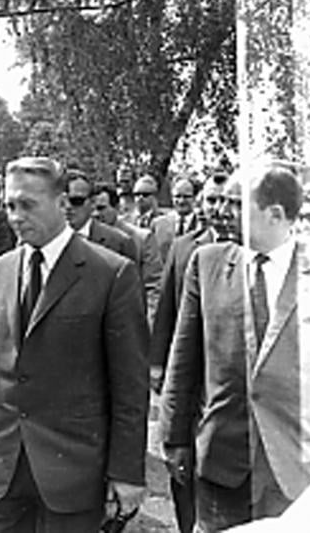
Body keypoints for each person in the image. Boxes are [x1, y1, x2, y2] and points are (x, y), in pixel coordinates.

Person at [0, 156, 149, 533]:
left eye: (28, 205)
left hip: (73, 473)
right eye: (9, 205)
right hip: (0, 471)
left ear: (62, 205)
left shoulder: (111, 274)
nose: (15, 216)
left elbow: (130, 388)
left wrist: (126, 473)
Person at [160, 166, 310, 531]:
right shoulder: (207, 263)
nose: (221, 212)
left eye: (236, 205)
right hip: (223, 464)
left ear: (275, 214)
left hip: (300, 467)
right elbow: (183, 360)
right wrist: (173, 439)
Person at [147, 170, 229, 533]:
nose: (218, 208)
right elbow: (166, 310)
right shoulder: (185, 249)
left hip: (225, 388)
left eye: (227, 201)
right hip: (188, 379)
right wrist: (157, 366)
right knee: (184, 474)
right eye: (211, 200)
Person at [87, 180, 163, 322]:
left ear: (117, 208)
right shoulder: (84, 240)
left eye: (101, 208)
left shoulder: (141, 239)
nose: (96, 214)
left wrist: (148, 327)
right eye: (92, 209)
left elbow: (153, 288)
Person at [152, 176, 199, 262]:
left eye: (186, 197)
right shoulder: (158, 224)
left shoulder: (201, 225)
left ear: (194, 198)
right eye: (177, 196)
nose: (181, 201)